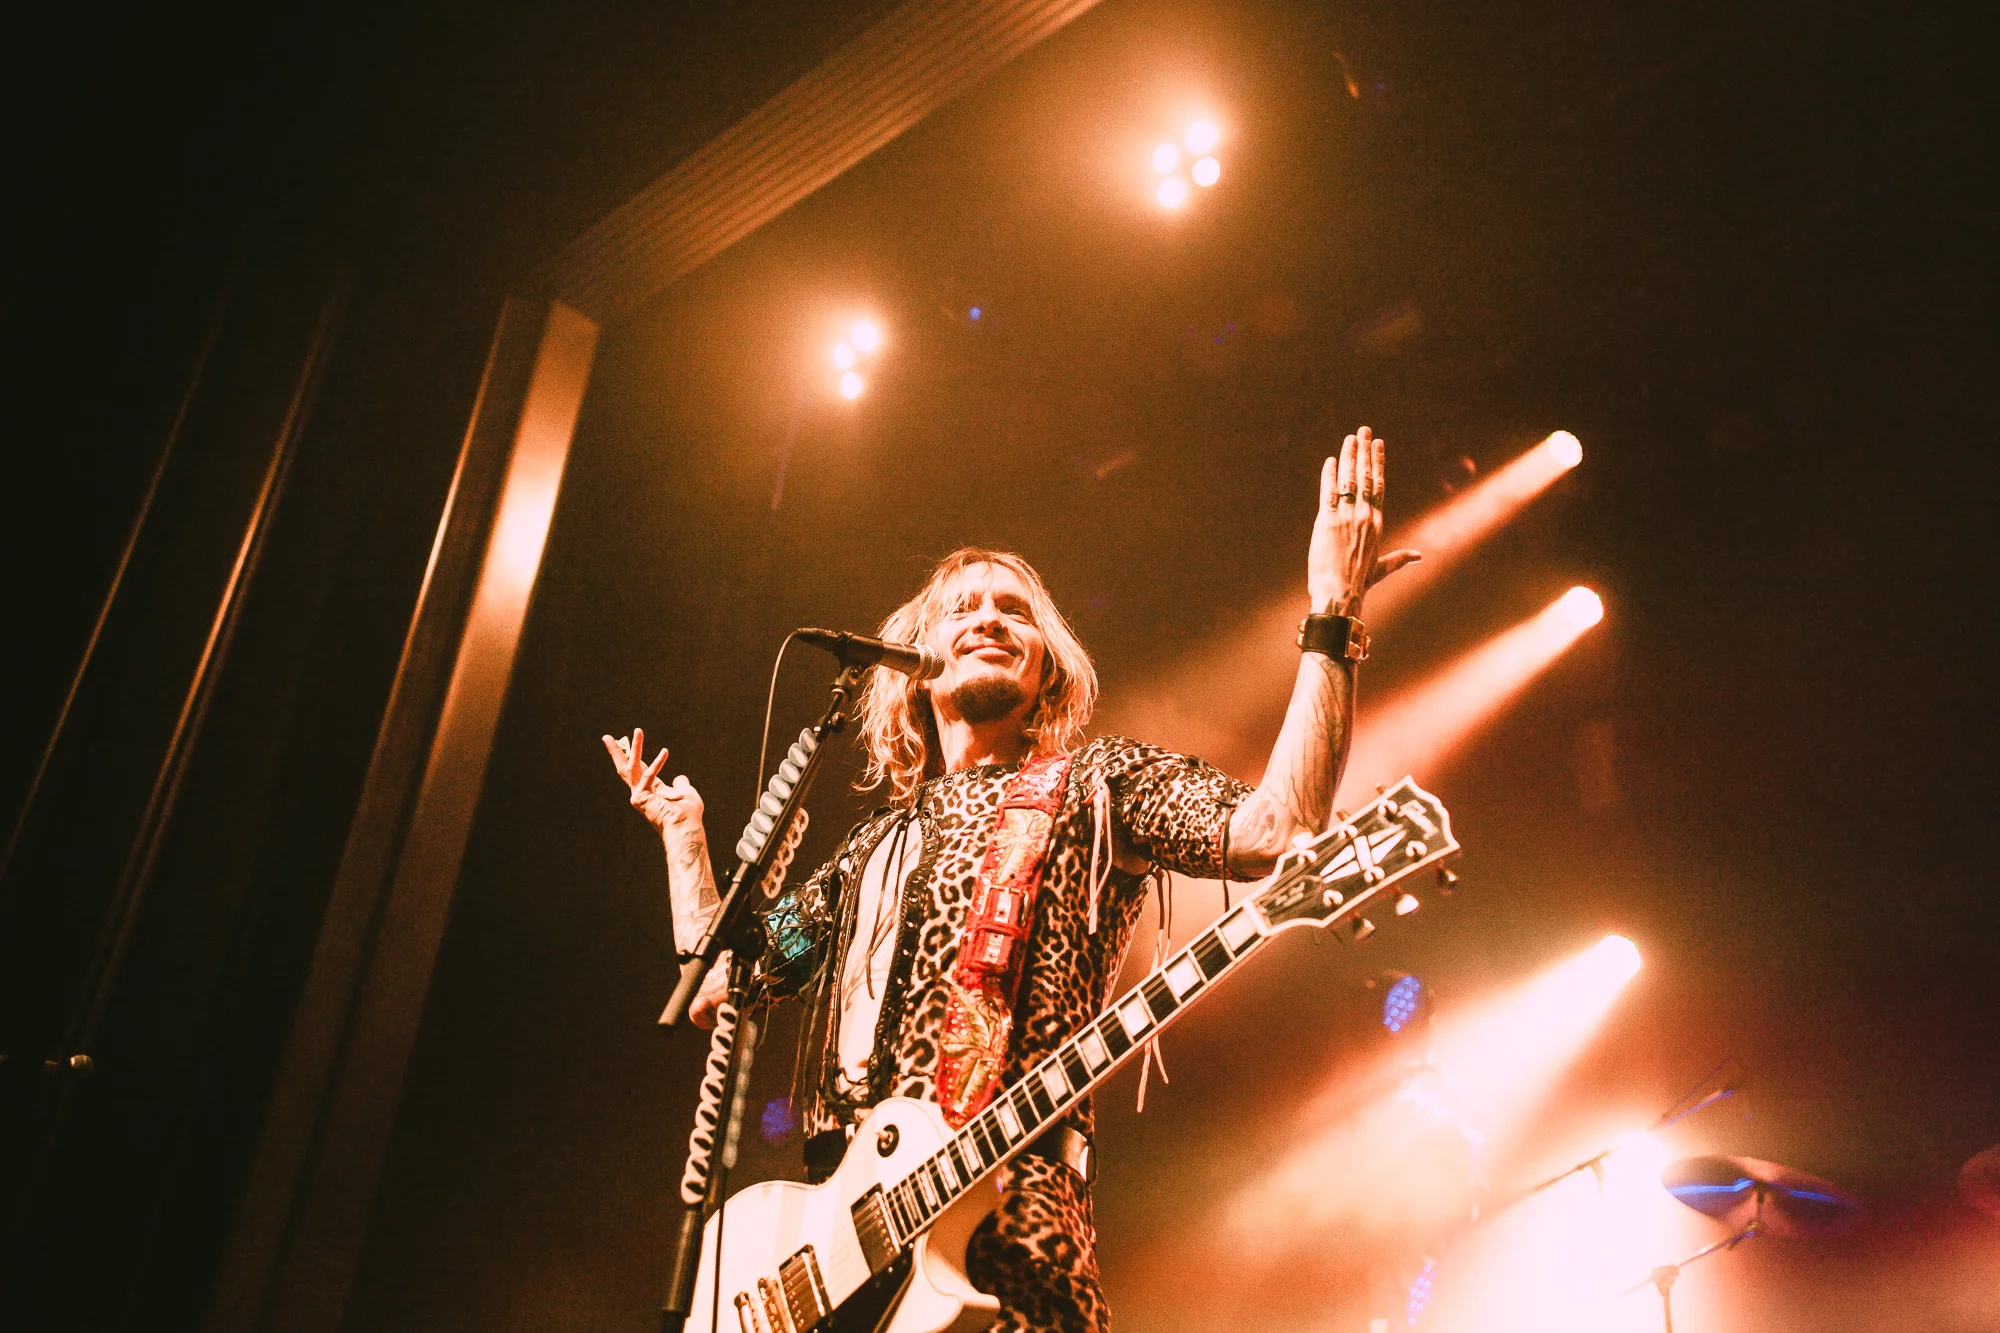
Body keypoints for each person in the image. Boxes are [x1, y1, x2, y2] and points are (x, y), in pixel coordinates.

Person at [604, 428, 1415, 1333]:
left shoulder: (1096, 785)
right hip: (832, 1268)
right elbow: (721, 985)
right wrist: (685, 837)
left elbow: (1276, 830)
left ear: (1048, 664)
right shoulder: (867, 855)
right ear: (915, 668)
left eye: (1015, 611)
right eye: (964, 607)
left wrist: (1332, 613)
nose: (990, 618)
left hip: (1015, 1252)